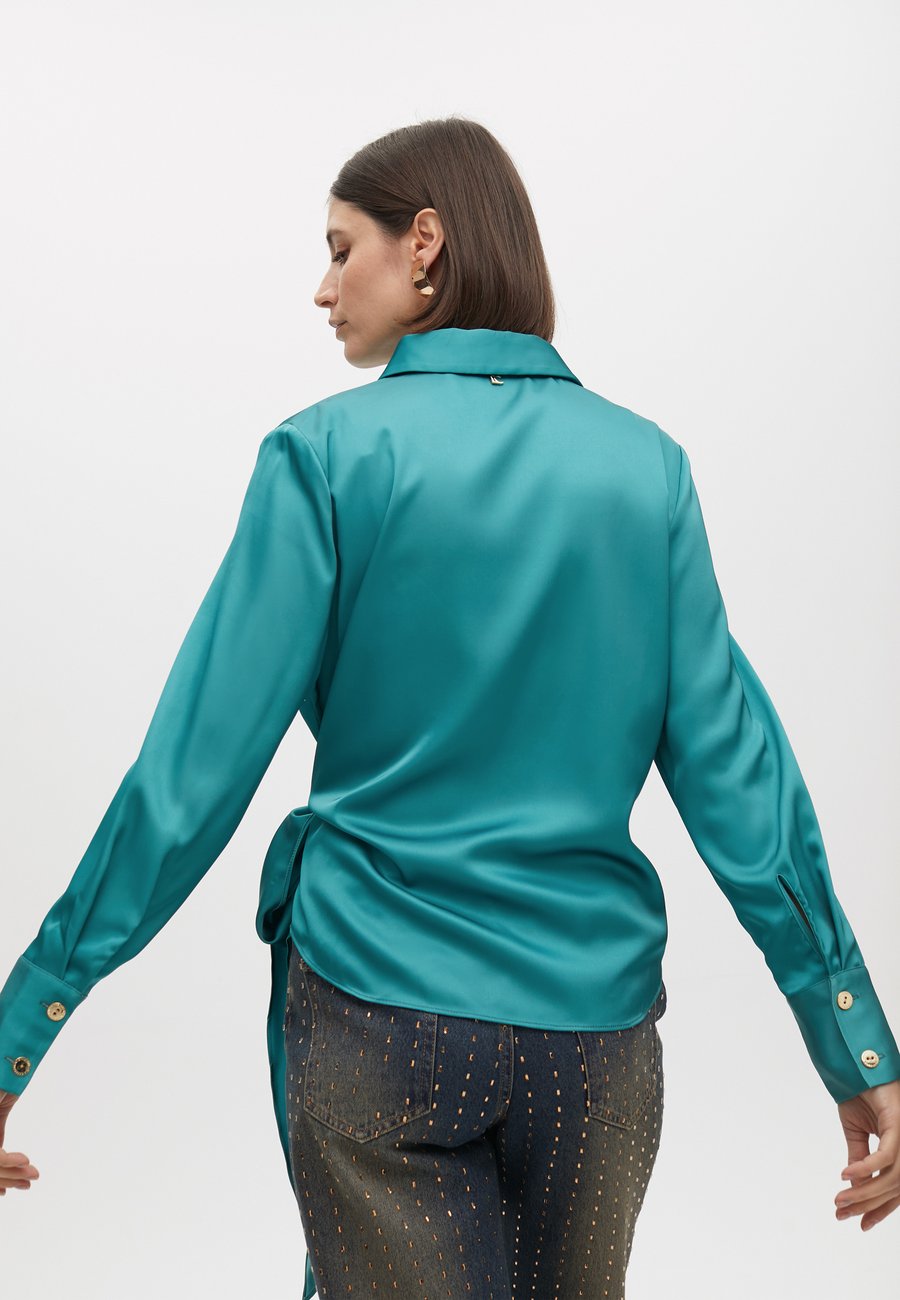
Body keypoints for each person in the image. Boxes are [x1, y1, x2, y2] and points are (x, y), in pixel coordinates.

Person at [1, 115, 899, 1297]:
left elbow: (187, 783)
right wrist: (851, 1033)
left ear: (423, 241)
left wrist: (23, 1028)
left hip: (376, 1000)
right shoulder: (645, 470)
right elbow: (743, 782)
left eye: (341, 248)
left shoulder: (324, 459)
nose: (322, 288)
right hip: (594, 1036)